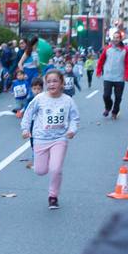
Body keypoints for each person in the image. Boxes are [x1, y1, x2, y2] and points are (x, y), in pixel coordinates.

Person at [20, 69, 80, 209]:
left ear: (61, 83)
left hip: (60, 138)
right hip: (40, 139)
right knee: (40, 171)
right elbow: (28, 114)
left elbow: (75, 119)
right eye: (49, 82)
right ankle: (40, 166)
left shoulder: (68, 100)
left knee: (56, 168)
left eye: (55, 81)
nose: (52, 84)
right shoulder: (39, 99)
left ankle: (53, 196)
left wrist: (72, 130)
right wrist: (25, 129)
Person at [95, 34, 128, 119]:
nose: (115, 39)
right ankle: (108, 107)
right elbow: (101, 60)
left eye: (117, 38)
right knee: (106, 95)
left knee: (118, 97)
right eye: (114, 38)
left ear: (120, 39)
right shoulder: (107, 49)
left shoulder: (125, 50)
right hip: (108, 76)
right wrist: (99, 71)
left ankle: (115, 112)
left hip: (120, 78)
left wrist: (127, 76)